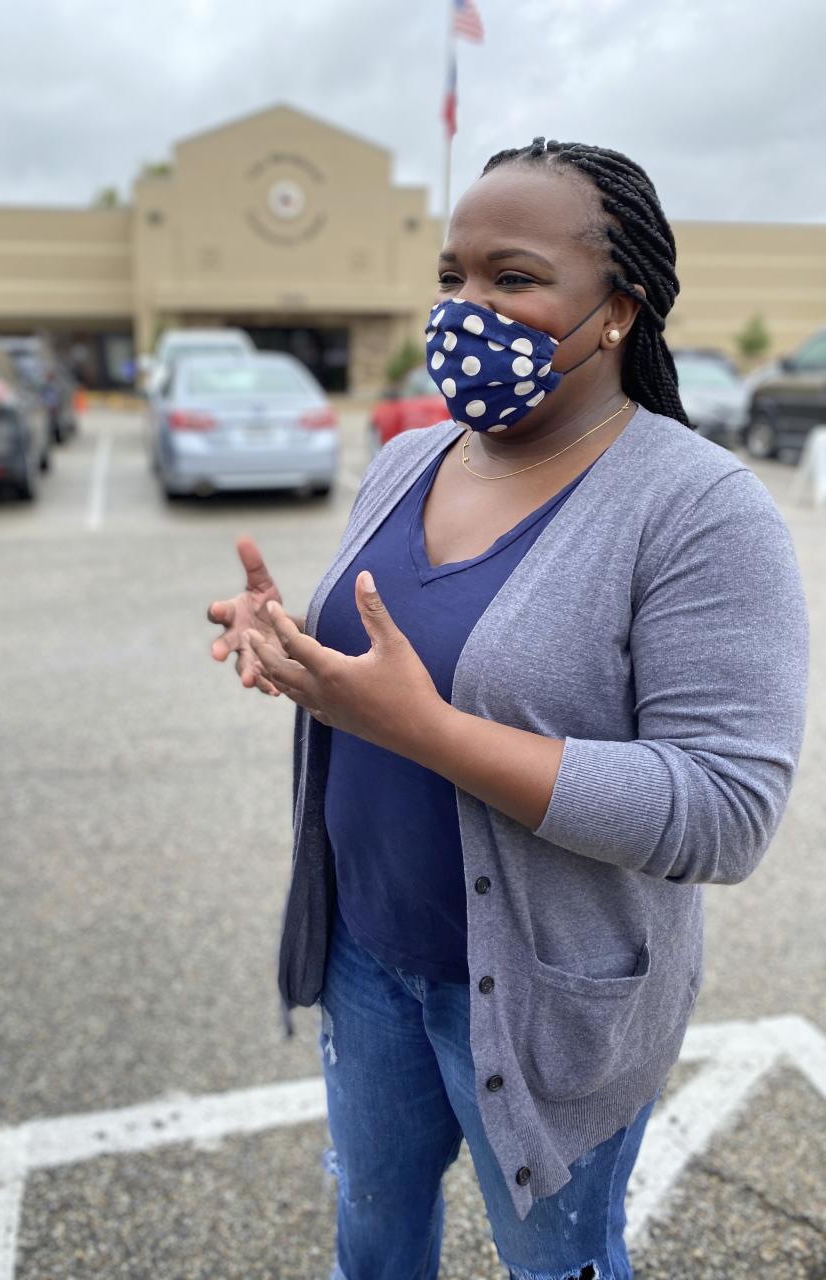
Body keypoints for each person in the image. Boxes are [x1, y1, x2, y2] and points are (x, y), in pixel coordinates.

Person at [206, 138, 809, 1280]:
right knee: (373, 1232)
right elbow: (385, 657)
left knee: (559, 1260)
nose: (464, 309)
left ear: (618, 308)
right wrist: (294, 647)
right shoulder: (409, 459)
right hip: (366, 953)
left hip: (549, 997)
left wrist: (425, 729)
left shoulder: (700, 509)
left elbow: (725, 809)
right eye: (452, 277)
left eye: (512, 277)